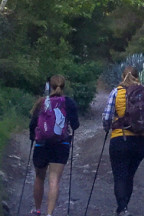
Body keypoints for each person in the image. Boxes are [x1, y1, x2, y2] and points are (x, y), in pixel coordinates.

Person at [102, 65, 144, 216]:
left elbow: (107, 116)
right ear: (138, 76)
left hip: (120, 138)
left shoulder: (117, 92)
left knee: (120, 174)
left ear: (122, 76)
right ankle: (124, 206)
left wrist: (106, 128)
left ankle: (122, 208)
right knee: (130, 174)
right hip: (142, 140)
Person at [28, 74, 81, 216]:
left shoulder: (41, 102)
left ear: (49, 86)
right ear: (63, 86)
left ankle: (37, 210)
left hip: (42, 145)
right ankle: (49, 214)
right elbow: (75, 125)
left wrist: (33, 137)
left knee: (39, 177)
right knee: (54, 180)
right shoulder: (69, 102)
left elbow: (33, 124)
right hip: (61, 145)